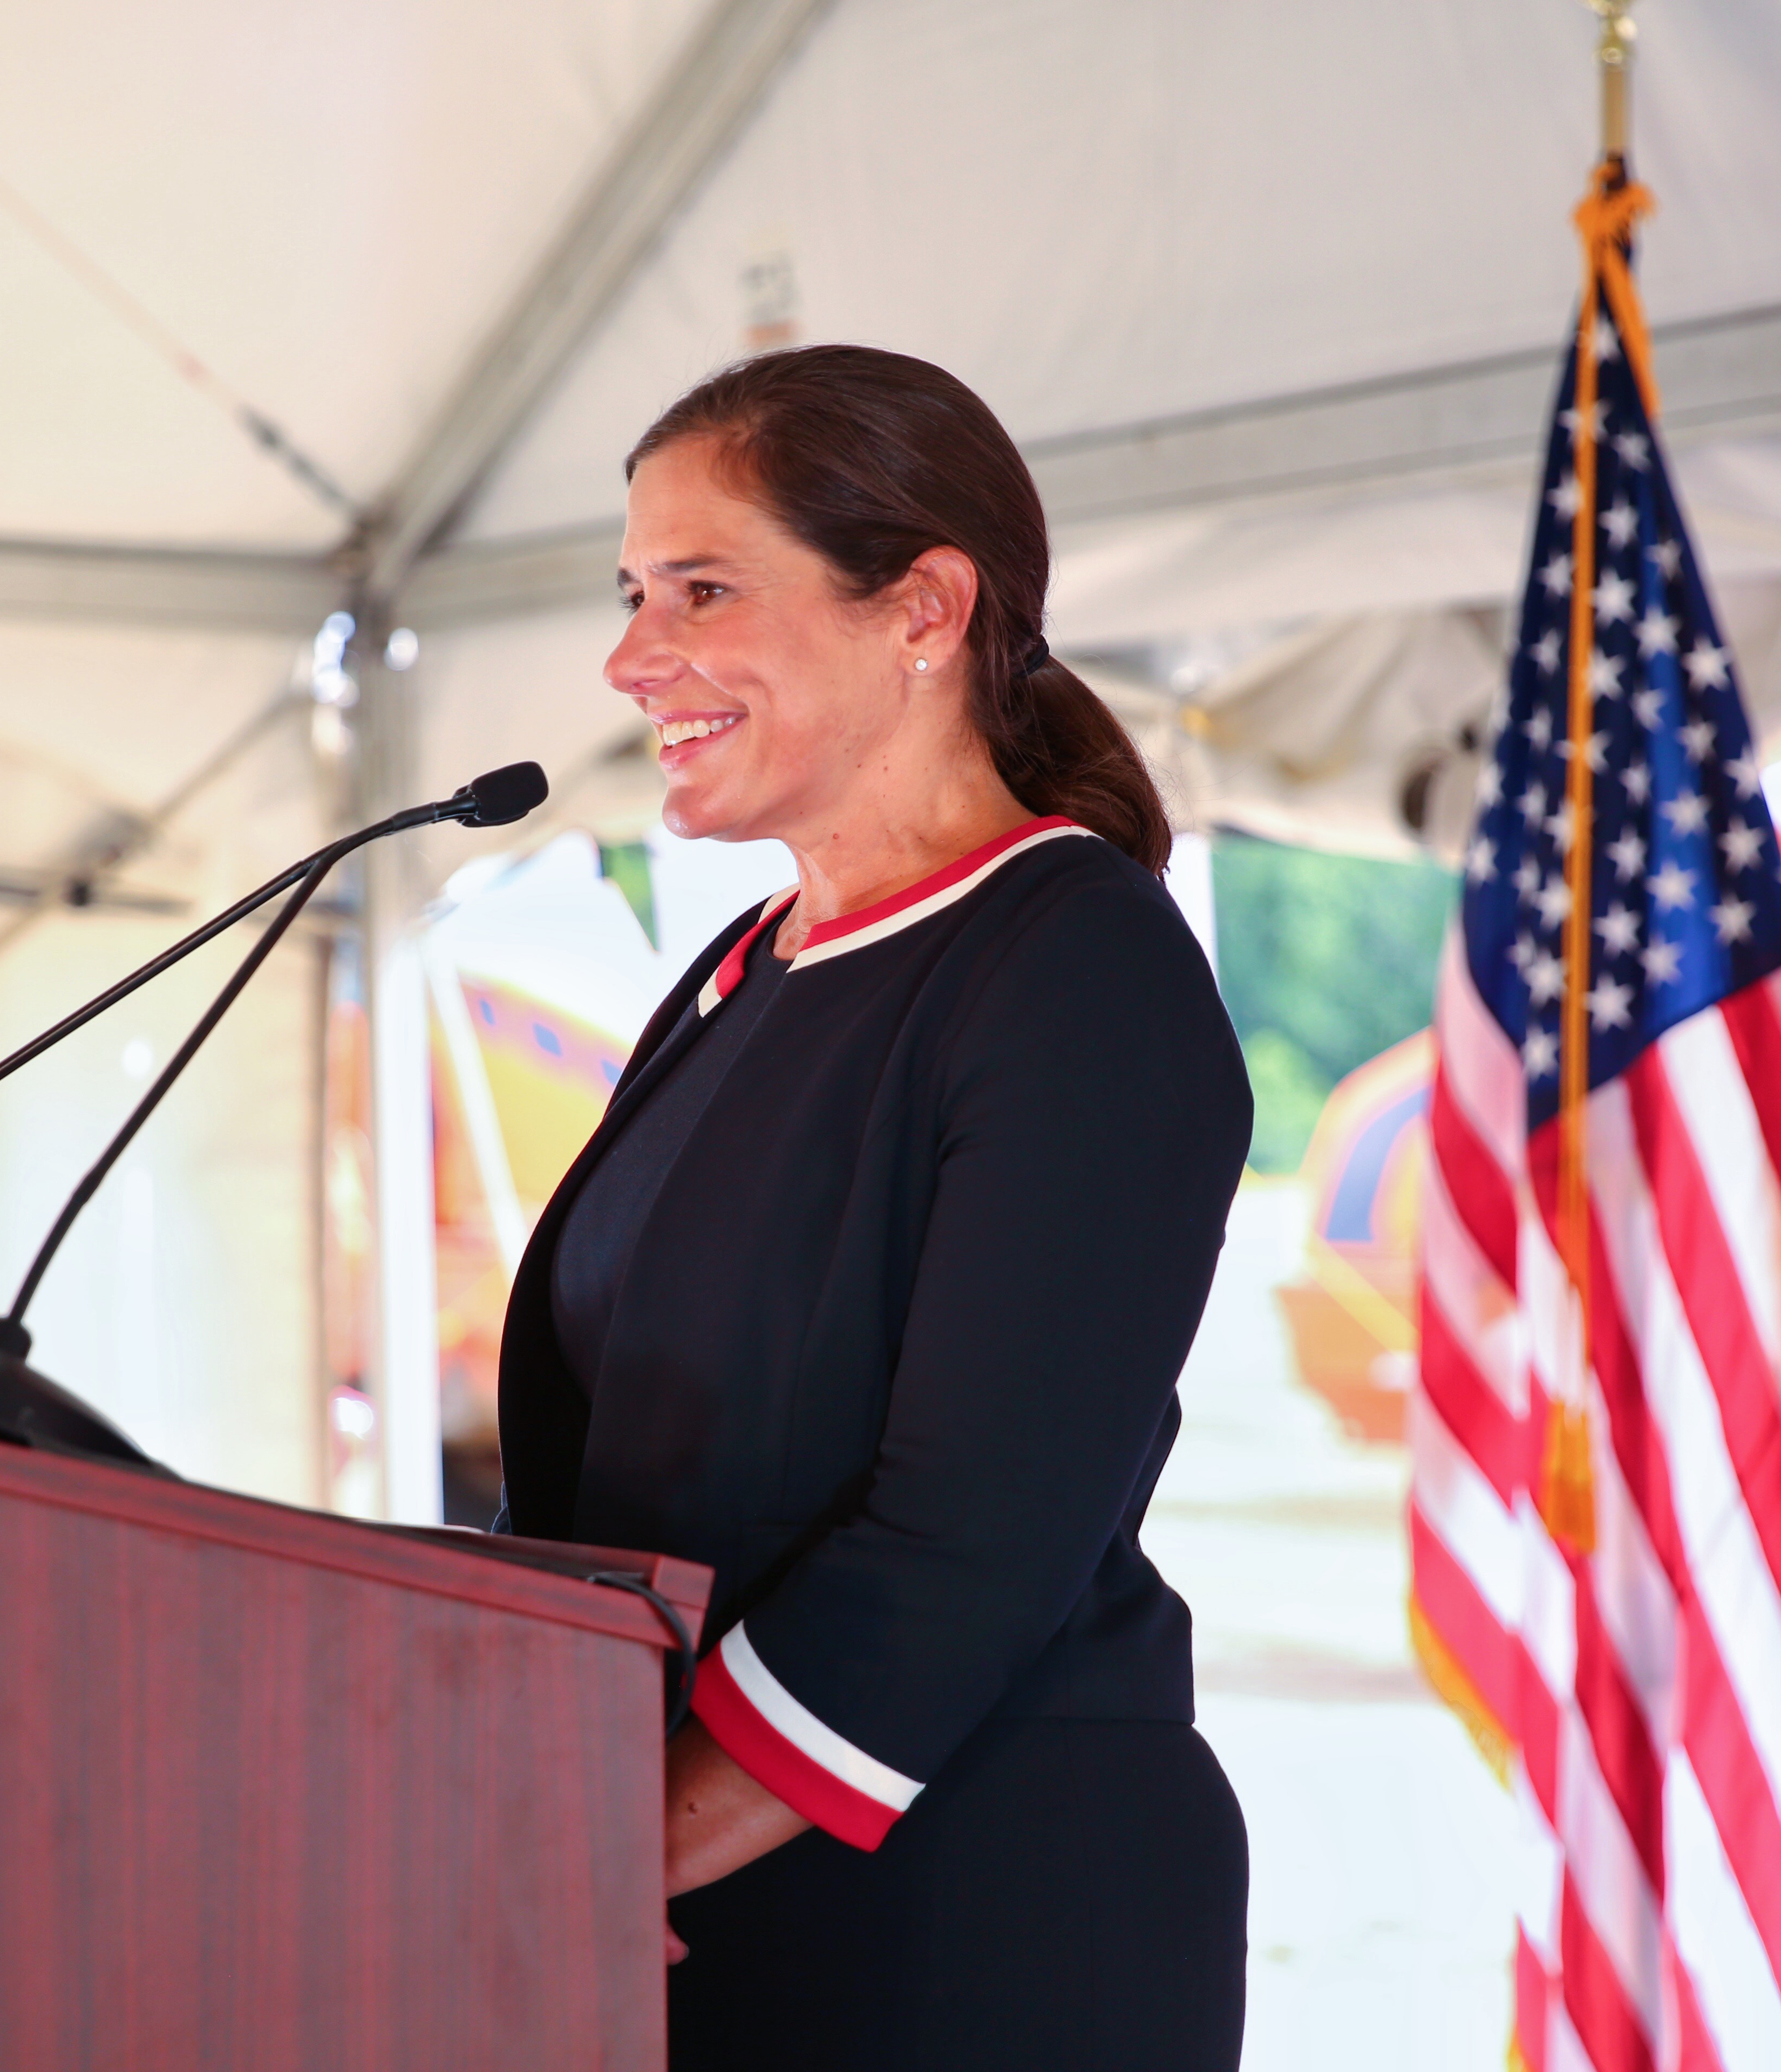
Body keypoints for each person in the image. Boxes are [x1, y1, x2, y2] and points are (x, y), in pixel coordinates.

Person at [494, 344, 1252, 2070]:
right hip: (709, 1907)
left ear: (922, 608)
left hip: (971, 1921)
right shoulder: (741, 974)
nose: (631, 658)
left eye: (701, 590)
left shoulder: (1073, 968)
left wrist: (605, 1854)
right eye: (631, 596)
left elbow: (969, 1539)